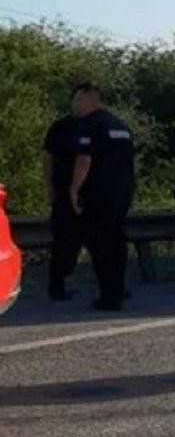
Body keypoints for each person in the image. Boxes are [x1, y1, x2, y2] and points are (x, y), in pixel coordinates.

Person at [68, 84, 135, 311]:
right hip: (122, 192)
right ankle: (118, 288)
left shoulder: (90, 126)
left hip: (99, 195)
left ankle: (109, 296)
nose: (74, 105)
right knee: (117, 243)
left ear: (92, 100)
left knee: (100, 246)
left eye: (78, 100)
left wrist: (74, 189)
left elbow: (84, 160)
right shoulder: (120, 125)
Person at [42, 93, 88, 300]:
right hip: (64, 194)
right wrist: (51, 189)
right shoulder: (60, 128)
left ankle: (111, 286)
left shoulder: (96, 126)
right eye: (77, 100)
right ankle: (56, 285)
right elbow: (48, 159)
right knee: (64, 243)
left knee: (103, 242)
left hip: (93, 195)